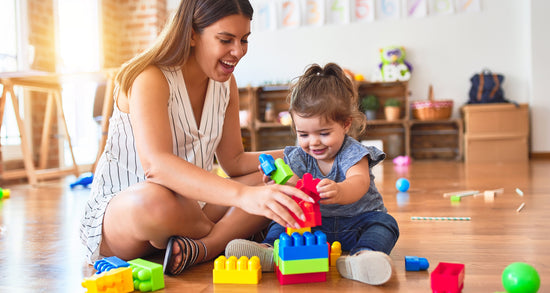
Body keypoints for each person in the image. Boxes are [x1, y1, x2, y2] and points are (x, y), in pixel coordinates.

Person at [79, 0, 314, 276]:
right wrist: (244, 198)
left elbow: (234, 162)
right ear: (191, 34)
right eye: (225, 40)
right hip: (129, 215)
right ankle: (221, 237)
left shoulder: (227, 85)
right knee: (154, 199)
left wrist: (297, 153)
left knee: (278, 181)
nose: (237, 52)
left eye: (244, 40)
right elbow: (157, 166)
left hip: (192, 209)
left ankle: (203, 247)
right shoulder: (150, 77)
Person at [225, 63, 400, 285]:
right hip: (312, 228)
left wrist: (339, 190)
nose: (313, 142)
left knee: (385, 224)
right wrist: (278, 179)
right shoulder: (298, 156)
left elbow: (359, 181)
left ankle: (362, 257)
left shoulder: (353, 151)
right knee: (282, 218)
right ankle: (271, 250)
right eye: (303, 134)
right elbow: (295, 185)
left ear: (345, 125)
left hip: (357, 222)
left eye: (324, 133)